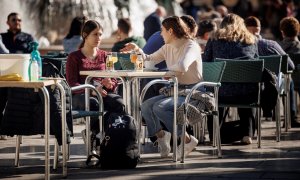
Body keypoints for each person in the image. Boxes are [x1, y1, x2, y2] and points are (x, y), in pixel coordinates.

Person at [121, 16, 201, 158]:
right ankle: (162, 136)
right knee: (145, 105)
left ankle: (187, 140)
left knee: (160, 106)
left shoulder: (191, 46)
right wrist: (138, 50)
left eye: (162, 30)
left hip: (193, 92)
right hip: (175, 90)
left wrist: (167, 72)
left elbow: (182, 66)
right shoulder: (167, 47)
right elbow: (149, 58)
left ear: (170, 31)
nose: (160, 34)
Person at [66, 20, 125, 148]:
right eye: (95, 34)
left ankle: (98, 134)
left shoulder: (106, 55)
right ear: (85, 35)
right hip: (81, 94)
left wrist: (110, 83)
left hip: (103, 92)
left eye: (100, 34)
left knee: (119, 104)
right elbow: (72, 83)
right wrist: (92, 90)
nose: (98, 38)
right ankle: (96, 135)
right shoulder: (74, 57)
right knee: (94, 103)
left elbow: (114, 78)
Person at [203, 13, 259, 145]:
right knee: (246, 84)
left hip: (221, 93)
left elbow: (206, 62)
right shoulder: (251, 39)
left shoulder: (214, 38)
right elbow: (255, 61)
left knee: (214, 88)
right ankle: (247, 133)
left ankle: (214, 134)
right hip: (247, 94)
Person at [244, 16, 298, 123]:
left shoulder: (239, 47)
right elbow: (290, 66)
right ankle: (289, 116)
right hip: (272, 89)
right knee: (288, 80)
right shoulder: (271, 45)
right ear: (259, 29)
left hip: (246, 89)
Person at [279, 16, 300, 126]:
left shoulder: (278, 47)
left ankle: (289, 117)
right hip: (298, 80)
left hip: (286, 83)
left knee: (285, 80)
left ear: (282, 32)